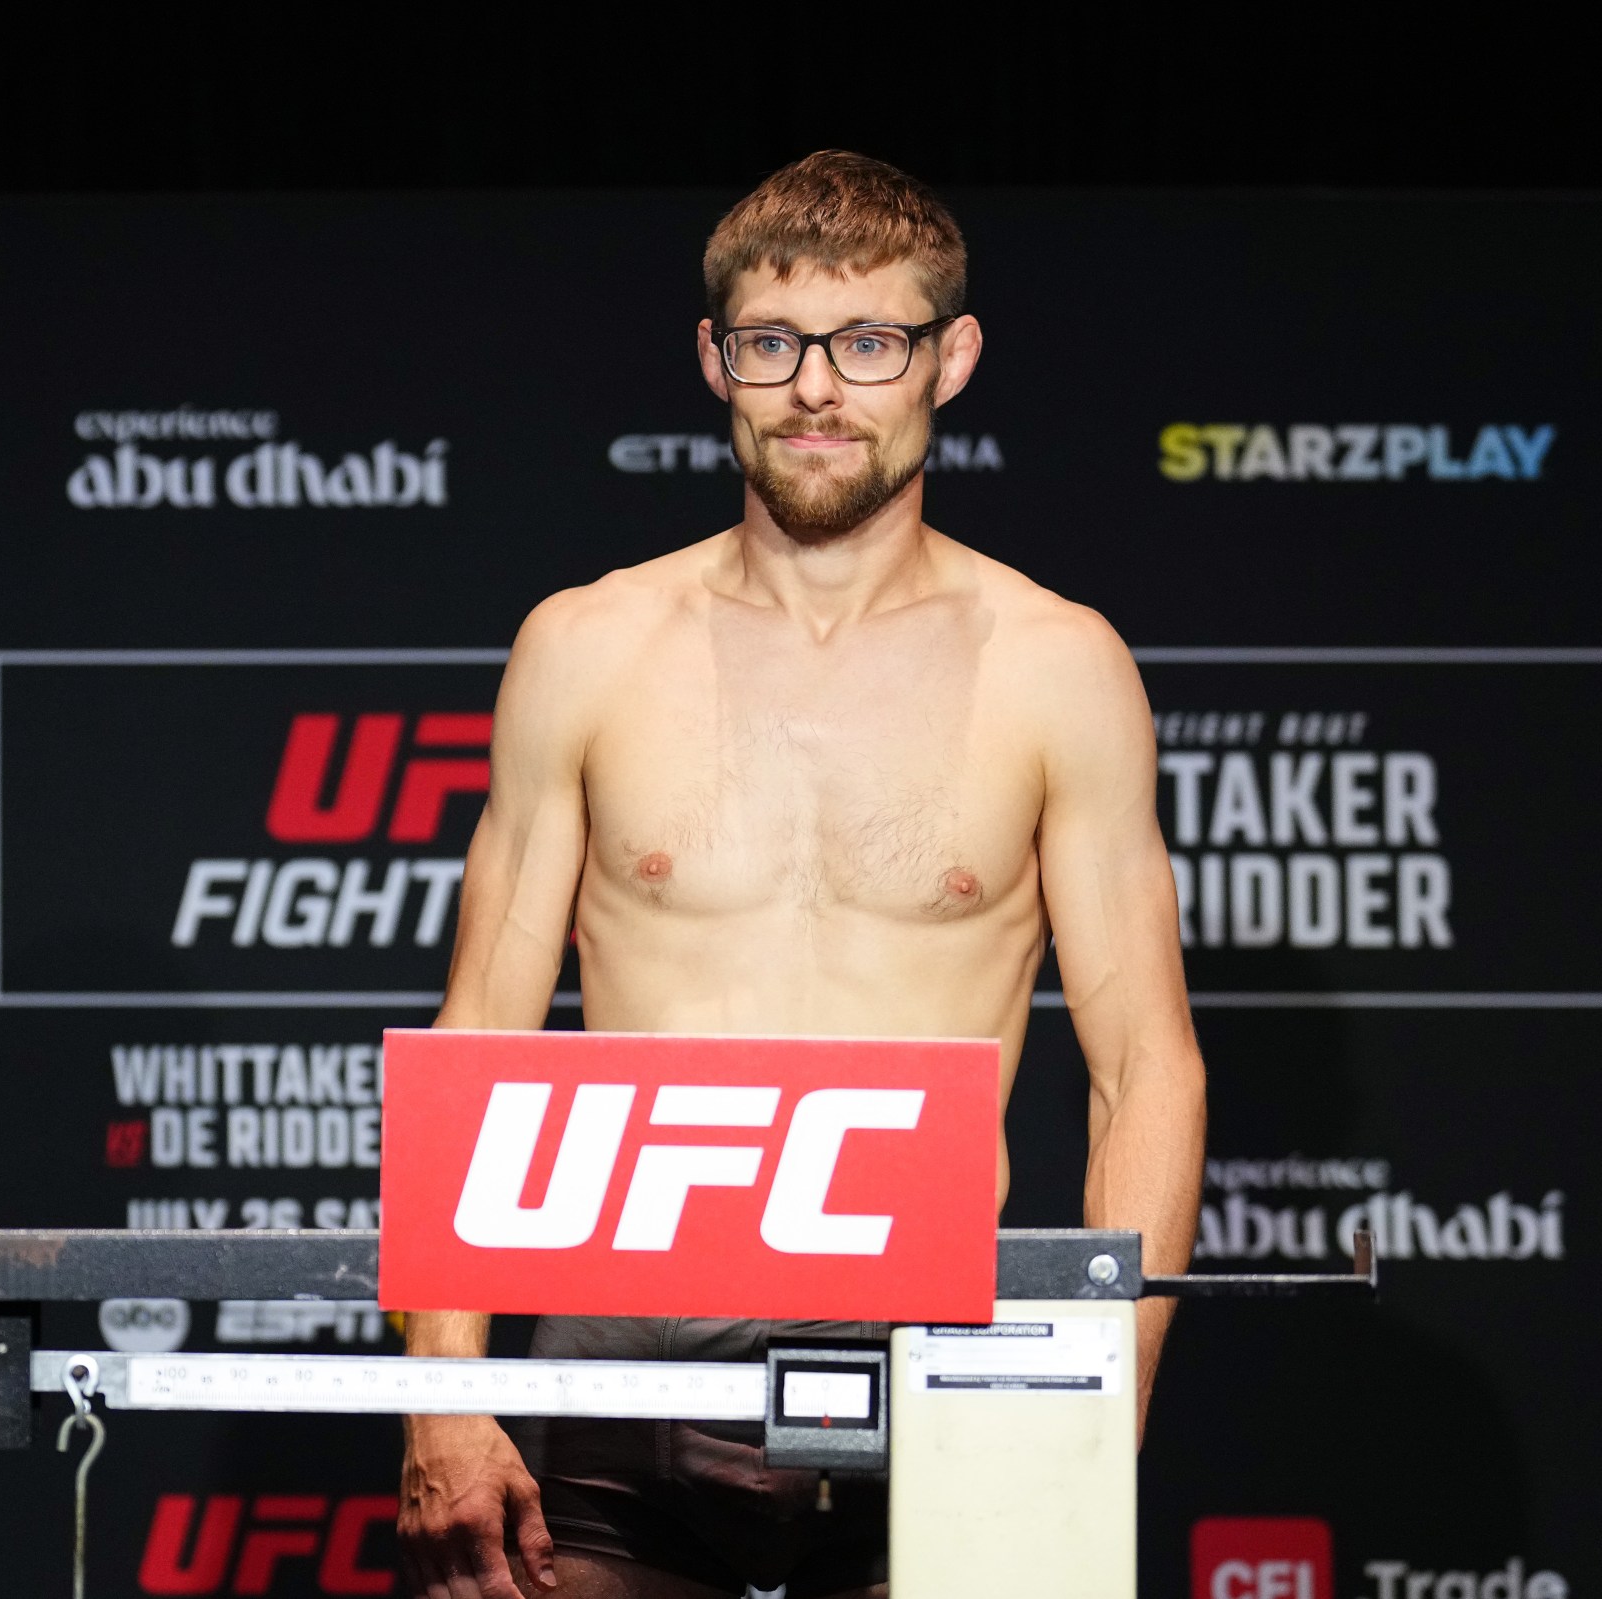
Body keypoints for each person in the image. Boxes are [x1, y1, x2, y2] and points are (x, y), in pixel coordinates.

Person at [397, 150, 1205, 1599]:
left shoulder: (1058, 669)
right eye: (774, 345)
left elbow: (1144, 1064)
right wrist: (443, 1394)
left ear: (947, 359)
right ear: (717, 358)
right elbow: (482, 1039)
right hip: (619, 1356)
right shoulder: (584, 648)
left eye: (868, 343)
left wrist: (1104, 1402)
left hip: (944, 1359)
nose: (818, 390)